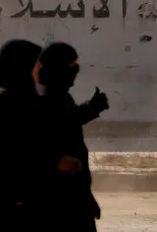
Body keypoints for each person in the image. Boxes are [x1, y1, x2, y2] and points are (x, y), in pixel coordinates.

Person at [0, 39, 80, 232]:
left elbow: (25, 142)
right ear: (20, 66)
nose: (39, 69)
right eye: (35, 64)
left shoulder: (15, 97)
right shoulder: (0, 101)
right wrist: (54, 162)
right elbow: (1, 154)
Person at [38, 42, 110, 232]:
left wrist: (92, 108)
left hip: (73, 197)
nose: (75, 72)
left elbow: (69, 122)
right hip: (60, 203)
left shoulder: (59, 97)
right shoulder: (44, 100)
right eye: (71, 67)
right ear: (58, 67)